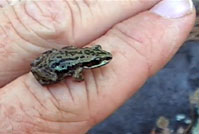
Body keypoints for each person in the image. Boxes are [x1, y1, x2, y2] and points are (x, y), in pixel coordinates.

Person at [0, 0, 196, 133]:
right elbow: (77, 77)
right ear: (89, 62)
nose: (102, 62)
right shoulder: (80, 68)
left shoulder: (81, 58)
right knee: (53, 77)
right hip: (51, 69)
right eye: (97, 61)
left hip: (50, 59)